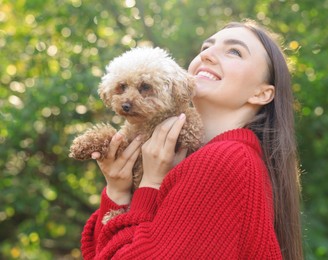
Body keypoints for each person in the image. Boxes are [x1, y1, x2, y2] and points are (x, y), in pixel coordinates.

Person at [81, 19, 303, 260]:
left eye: (234, 51)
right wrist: (117, 191)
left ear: (261, 93)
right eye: (205, 47)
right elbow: (101, 253)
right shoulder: (208, 160)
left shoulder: (225, 160)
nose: (207, 55)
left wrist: (151, 185)